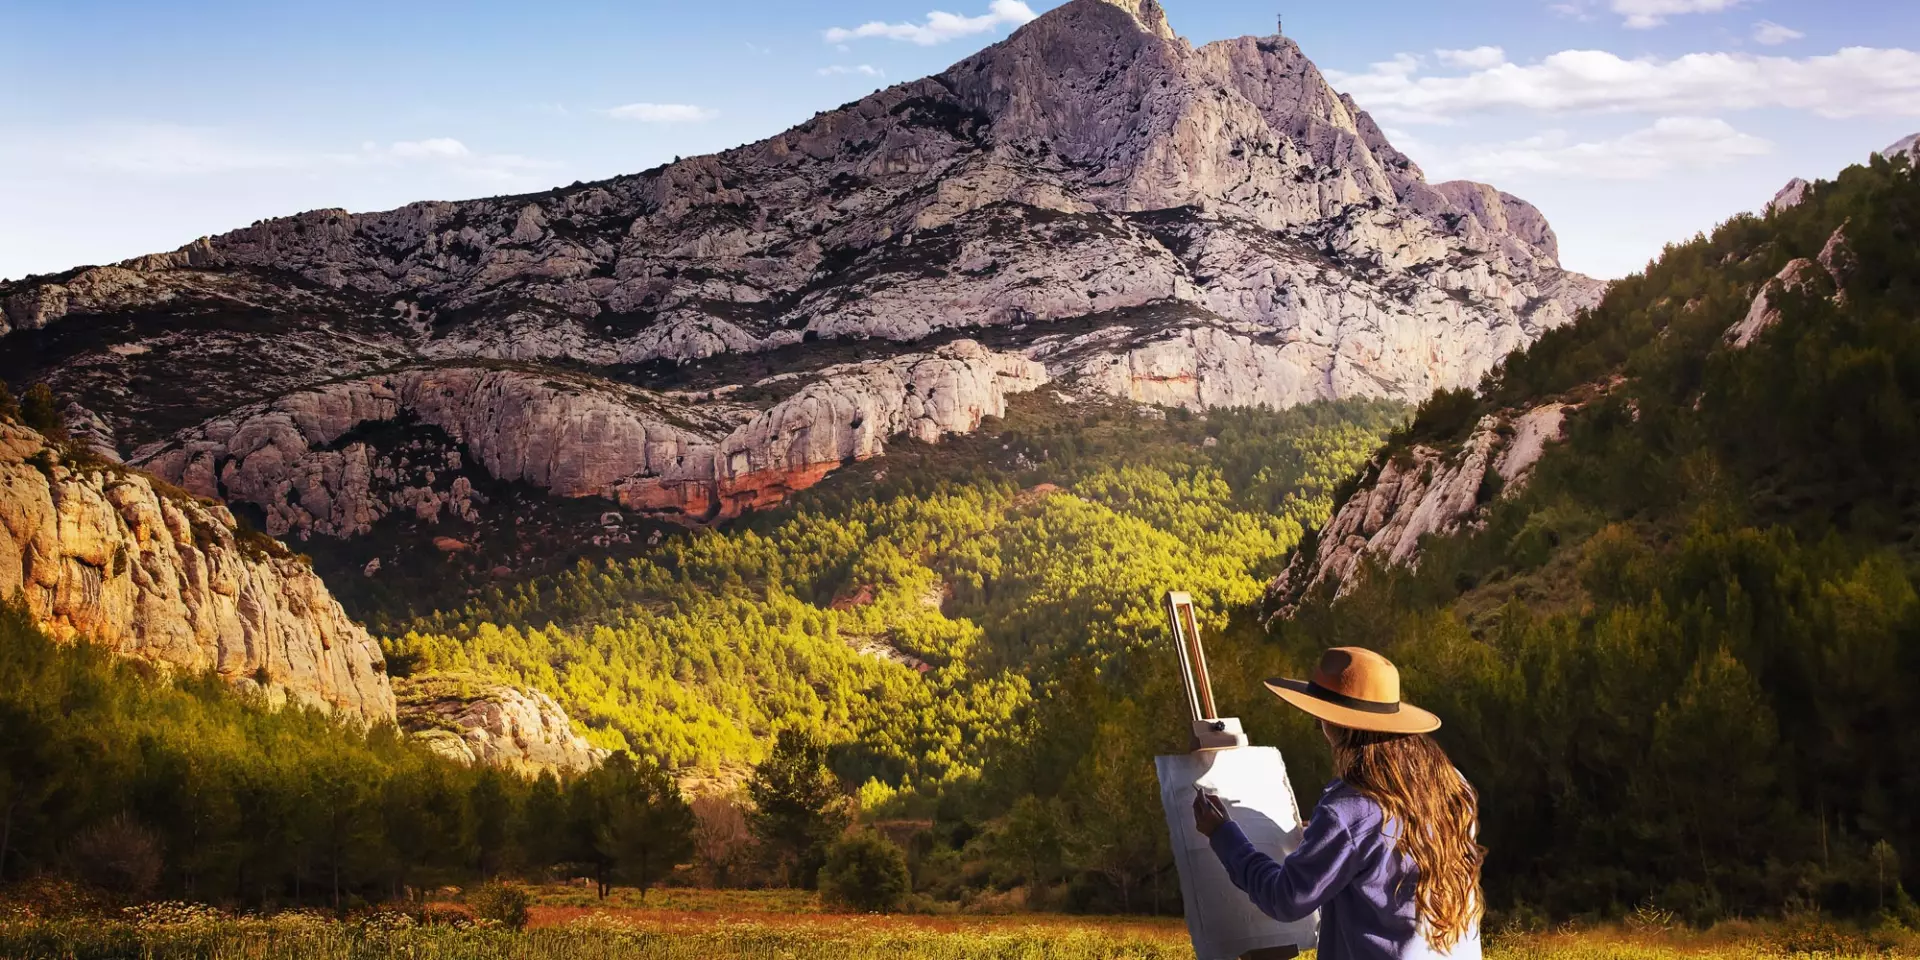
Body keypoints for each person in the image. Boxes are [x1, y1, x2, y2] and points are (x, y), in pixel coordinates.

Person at [1192, 646, 1483, 959]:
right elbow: (1387, 851)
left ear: (1333, 723)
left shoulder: (1349, 810)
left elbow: (1286, 898)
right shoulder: (1450, 783)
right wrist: (1329, 839)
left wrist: (1223, 834)